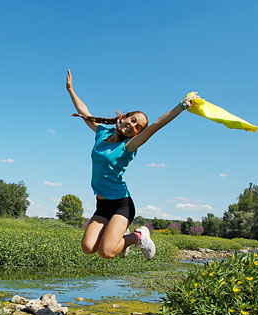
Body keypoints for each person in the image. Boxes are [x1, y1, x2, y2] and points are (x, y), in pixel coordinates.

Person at [66, 69, 197, 260]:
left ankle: (138, 236)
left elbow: (155, 126)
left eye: (137, 128)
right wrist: (70, 89)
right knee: (87, 247)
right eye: (133, 121)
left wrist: (181, 106)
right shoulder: (102, 133)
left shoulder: (128, 146)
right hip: (102, 204)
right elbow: (85, 113)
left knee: (107, 252)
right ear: (126, 116)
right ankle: (119, 237)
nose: (133, 126)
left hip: (121, 204)